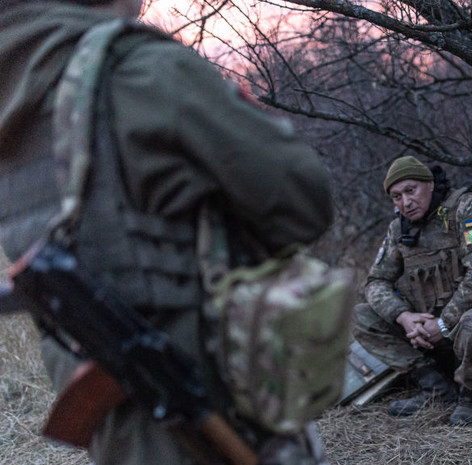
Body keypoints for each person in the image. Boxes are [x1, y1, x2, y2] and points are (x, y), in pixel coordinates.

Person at [0, 0, 334, 464]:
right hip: (212, 389)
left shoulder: (15, 85)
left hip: (107, 407)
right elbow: (303, 203)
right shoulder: (137, 67)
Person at [352, 156, 472, 425]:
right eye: (397, 197)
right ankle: (436, 388)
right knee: (361, 316)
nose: (406, 202)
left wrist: (444, 322)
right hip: (427, 330)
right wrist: (404, 317)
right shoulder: (399, 229)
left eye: (411, 190)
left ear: (430, 184)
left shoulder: (466, 209)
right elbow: (376, 281)